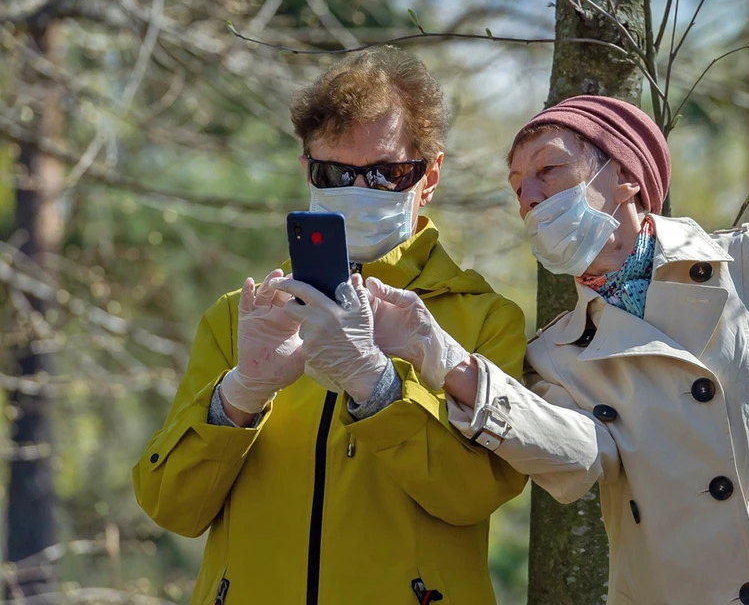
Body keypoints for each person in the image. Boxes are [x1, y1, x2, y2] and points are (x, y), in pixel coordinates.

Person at [365, 96, 749, 604]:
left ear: (625, 176)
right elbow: (578, 459)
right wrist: (439, 356)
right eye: (519, 186)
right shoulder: (555, 355)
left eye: (548, 170)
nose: (529, 197)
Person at [132, 46, 527, 605]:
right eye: (336, 171)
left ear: (429, 174)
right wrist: (238, 397)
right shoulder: (242, 314)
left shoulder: (485, 320)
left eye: (387, 172)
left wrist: (378, 389)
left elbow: (474, 494)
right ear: (307, 173)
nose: (359, 190)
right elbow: (170, 505)